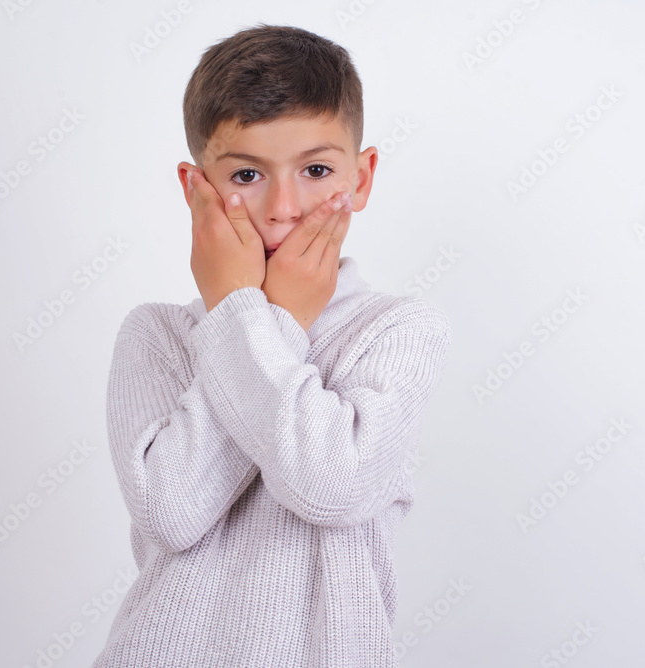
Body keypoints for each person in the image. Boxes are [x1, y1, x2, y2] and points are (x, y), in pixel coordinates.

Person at [91, 23, 451, 668]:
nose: (285, 207)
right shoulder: (156, 336)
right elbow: (172, 512)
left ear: (362, 178)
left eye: (316, 169)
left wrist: (256, 318)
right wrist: (259, 315)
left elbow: (330, 487)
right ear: (195, 186)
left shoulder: (396, 331)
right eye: (249, 173)